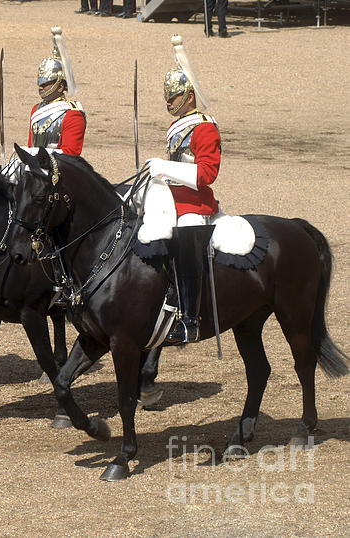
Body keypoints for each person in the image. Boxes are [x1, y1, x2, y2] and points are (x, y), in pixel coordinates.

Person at [143, 36, 222, 344]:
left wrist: (164, 168)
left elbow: (206, 174)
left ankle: (190, 319)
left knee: (188, 238)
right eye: (167, 96)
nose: (168, 102)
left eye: (174, 96)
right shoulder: (177, 127)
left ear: (189, 96)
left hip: (195, 205)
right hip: (171, 199)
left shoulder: (204, 127)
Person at [28, 27, 86, 157]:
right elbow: (31, 146)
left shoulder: (72, 114)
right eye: (40, 84)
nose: (41, 88)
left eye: (46, 84)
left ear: (60, 87)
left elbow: (70, 154)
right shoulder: (36, 109)